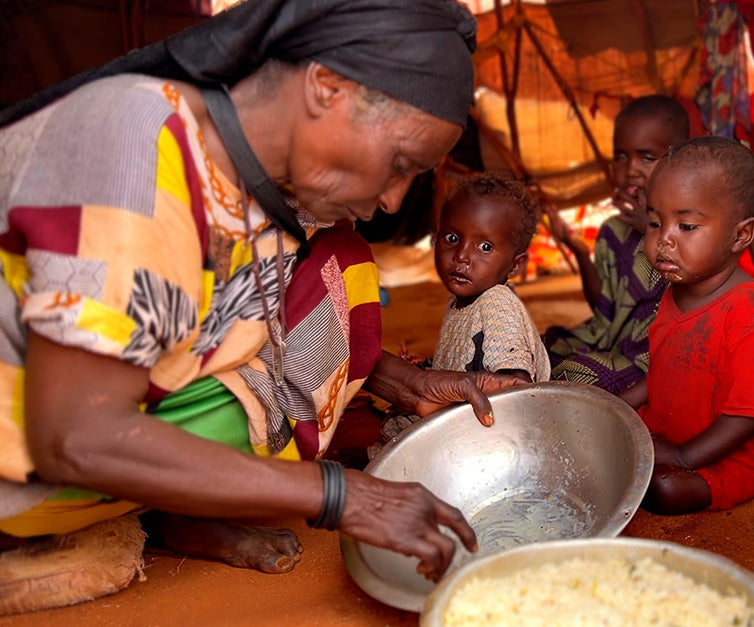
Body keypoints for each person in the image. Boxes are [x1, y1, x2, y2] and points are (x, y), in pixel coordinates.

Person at [0, 0, 525, 614]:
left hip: (71, 427)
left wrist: (412, 386)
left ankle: (170, 503)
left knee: (339, 268)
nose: (392, 201)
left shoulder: (254, 189)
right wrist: (342, 495)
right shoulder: (134, 154)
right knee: (333, 275)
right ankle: (108, 510)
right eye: (401, 165)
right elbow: (76, 434)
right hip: (43, 452)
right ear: (327, 86)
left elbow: (250, 329)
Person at [628, 136, 754, 515]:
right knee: (600, 435)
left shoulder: (753, 318)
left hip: (732, 453)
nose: (664, 240)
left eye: (686, 226)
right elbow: (668, 366)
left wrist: (685, 456)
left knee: (665, 490)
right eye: (655, 222)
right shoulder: (677, 291)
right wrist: (623, 405)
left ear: (741, 234)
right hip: (673, 430)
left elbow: (752, 413)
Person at [376, 173, 549, 446]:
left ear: (515, 266)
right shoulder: (458, 303)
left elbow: (515, 388)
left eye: (484, 247)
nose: (461, 256)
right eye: (452, 238)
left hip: (496, 432)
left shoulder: (497, 303)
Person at [542, 95, 690, 398]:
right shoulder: (613, 231)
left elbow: (691, 292)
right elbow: (603, 308)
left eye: (647, 157)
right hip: (613, 343)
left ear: (678, 159)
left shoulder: (691, 228)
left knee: (577, 373)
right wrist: (578, 250)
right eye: (621, 157)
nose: (631, 169)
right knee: (543, 346)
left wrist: (651, 226)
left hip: (651, 360)